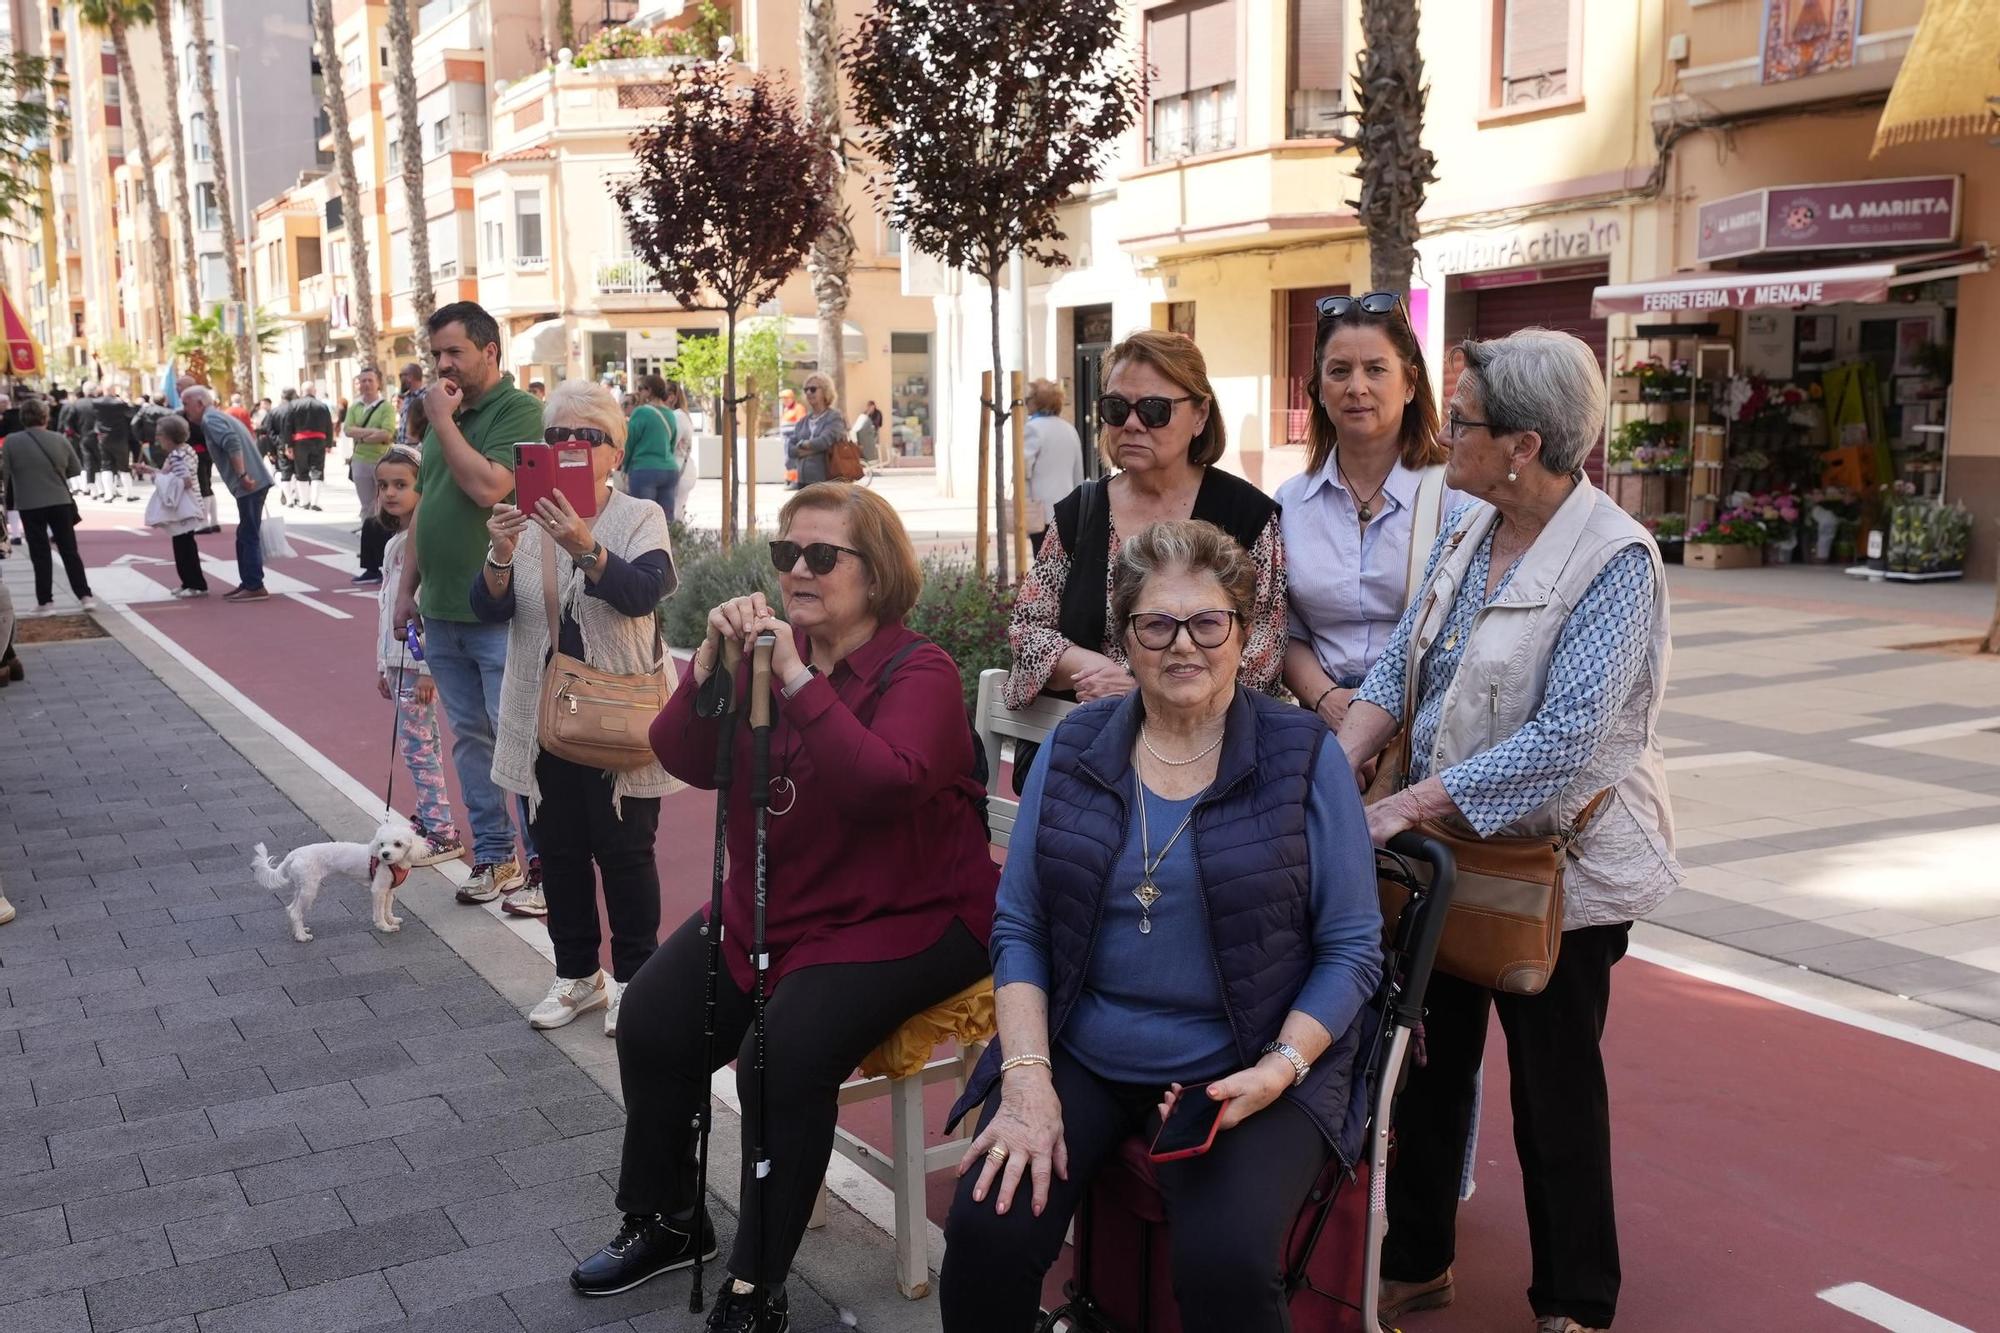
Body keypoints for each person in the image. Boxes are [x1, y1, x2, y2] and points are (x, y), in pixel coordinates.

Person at [940, 519, 1382, 1333]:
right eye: (1157, 624)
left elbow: (1353, 947)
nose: (1185, 644)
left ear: (1244, 636)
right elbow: (1023, 922)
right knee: (985, 1227)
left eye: (1208, 622)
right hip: (1086, 1044)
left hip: (1247, 1055)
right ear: (1125, 637)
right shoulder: (1075, 744)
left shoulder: (1301, 754)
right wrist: (1028, 1078)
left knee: (1226, 1262)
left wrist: (1280, 1069)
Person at [573, 483, 997, 1327]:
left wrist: (797, 674)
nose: (796, 569)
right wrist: (707, 669)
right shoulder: (766, 655)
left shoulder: (921, 669)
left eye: (820, 555)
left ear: (874, 574)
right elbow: (682, 755)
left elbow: (884, 785)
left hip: (905, 912)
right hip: (779, 898)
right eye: (784, 553)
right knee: (654, 1018)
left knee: (780, 1055)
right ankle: (668, 1215)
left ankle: (756, 1284)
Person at [1340, 329, 1682, 1333]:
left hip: (1556, 870)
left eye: (1464, 420)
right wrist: (1339, 760)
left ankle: (1574, 1299)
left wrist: (1402, 804)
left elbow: (1569, 737)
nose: (1446, 432)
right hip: (1448, 854)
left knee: (1553, 1089)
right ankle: (1415, 1260)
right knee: (1427, 1069)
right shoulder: (1467, 518)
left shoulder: (1613, 556)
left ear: (1523, 443)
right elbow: (1405, 655)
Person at [472, 381, 675, 1036]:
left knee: (625, 851)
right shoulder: (524, 518)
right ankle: (576, 974)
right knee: (557, 851)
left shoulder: (640, 515)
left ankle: (635, 983)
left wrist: (584, 542)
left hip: (621, 713)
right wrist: (500, 555)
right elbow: (491, 608)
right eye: (556, 436)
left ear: (615, 453)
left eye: (587, 437)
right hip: (543, 714)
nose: (569, 447)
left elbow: (643, 591)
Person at [1005, 330, 1288, 712]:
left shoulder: (1246, 518)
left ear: (1200, 415)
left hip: (1204, 749)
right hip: (1081, 743)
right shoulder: (1081, 513)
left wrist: (1136, 686)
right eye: (1117, 409)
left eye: (1154, 410)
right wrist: (1092, 666)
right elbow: (1027, 629)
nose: (1133, 424)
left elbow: (1260, 659)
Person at [391, 301, 548, 907]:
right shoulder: (443, 413)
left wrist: (442, 421)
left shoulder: (518, 409)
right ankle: (492, 856)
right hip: (442, 609)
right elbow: (426, 507)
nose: (442, 365)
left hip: (497, 610)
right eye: (436, 355)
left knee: (517, 738)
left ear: (490, 350)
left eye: (454, 352)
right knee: (469, 738)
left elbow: (488, 486)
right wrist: (407, 591)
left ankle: (540, 866)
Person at [1277, 291, 1458, 737]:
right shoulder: (1289, 503)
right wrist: (1326, 701)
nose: (1357, 387)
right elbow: (1281, 629)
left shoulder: (1457, 498)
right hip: (1322, 720)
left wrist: (1379, 720)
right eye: (1339, 371)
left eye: (1376, 369)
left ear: (1410, 383)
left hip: (1426, 724)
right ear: (1318, 391)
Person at [372, 444, 464, 867]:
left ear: (425, 487)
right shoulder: (396, 543)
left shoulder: (424, 542)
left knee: (418, 747)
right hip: (398, 663)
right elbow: (388, 609)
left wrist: (426, 668)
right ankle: (433, 818)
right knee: (421, 743)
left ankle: (440, 828)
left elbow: (427, 608)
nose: (390, 493)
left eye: (401, 484)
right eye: (383, 485)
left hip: (416, 663)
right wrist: (381, 665)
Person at [1, 397, 96, 612]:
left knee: (39, 552)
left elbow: (4, 474)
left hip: (29, 503)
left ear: (23, 418)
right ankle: (85, 595)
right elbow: (74, 469)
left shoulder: (11, 442)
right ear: (46, 416)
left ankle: (46, 601)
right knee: (69, 550)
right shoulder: (59, 439)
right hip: (59, 500)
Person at [183, 383, 274, 603]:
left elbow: (232, 443)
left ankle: (254, 584)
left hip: (250, 483)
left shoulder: (211, 419)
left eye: (186, 404)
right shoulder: (216, 416)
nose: (184, 409)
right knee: (245, 534)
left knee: (248, 534)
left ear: (199, 403)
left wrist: (242, 475)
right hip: (253, 481)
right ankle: (249, 581)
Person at [134, 414, 209, 598]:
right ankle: (189, 583)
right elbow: (175, 476)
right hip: (192, 503)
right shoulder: (186, 450)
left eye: (159, 435)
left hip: (183, 506)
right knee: (185, 544)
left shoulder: (176, 455)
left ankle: (195, 584)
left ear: (168, 437)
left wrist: (158, 477)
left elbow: (184, 480)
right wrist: (153, 471)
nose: (157, 439)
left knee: (184, 546)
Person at [346, 367, 399, 585]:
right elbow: (348, 430)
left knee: (386, 507)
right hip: (360, 461)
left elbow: (387, 433)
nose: (366, 384)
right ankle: (372, 563)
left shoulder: (386, 406)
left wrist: (362, 434)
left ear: (378, 383)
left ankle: (388, 557)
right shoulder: (355, 406)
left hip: (382, 461)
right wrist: (371, 434)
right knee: (368, 508)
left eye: (370, 380)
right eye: (362, 380)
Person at [1022, 379, 1084, 554]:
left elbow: (1023, 470)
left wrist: (1024, 502)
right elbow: (1078, 473)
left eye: (1029, 399)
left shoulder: (1033, 429)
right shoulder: (1069, 429)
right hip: (1067, 509)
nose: (1026, 403)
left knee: (1041, 560)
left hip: (1041, 511)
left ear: (1036, 401)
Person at [621, 373, 681, 524]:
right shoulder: (670, 414)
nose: (639, 392)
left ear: (649, 390)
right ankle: (668, 547)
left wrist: (624, 468)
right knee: (665, 522)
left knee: (642, 521)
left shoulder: (641, 412)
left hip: (644, 470)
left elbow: (630, 442)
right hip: (669, 471)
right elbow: (672, 443)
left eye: (640, 388)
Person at [783, 373, 843, 489]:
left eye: (813, 389)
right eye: (806, 390)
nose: (809, 393)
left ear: (825, 391)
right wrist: (814, 449)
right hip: (803, 482)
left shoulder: (834, 417)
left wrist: (803, 445)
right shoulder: (802, 421)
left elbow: (824, 441)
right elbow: (790, 449)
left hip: (827, 482)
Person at [285, 382, 336, 511]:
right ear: (314, 391)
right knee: (317, 470)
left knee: (301, 471)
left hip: (299, 442)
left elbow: (288, 426)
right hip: (319, 441)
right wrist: (329, 444)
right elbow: (329, 425)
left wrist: (288, 445)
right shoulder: (322, 406)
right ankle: (314, 502)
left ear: (302, 392)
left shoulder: (293, 405)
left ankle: (304, 501)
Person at [92, 388, 138, 503]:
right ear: (112, 390)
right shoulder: (119, 403)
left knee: (106, 465)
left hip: (103, 437)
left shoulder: (95, 402)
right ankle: (129, 494)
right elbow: (131, 413)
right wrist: (126, 401)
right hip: (119, 438)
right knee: (124, 466)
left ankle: (108, 494)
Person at [395, 362, 428, 447]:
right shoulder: (406, 397)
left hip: (417, 447)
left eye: (401, 376)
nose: (400, 379)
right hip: (403, 447)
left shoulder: (426, 397)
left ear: (409, 377)